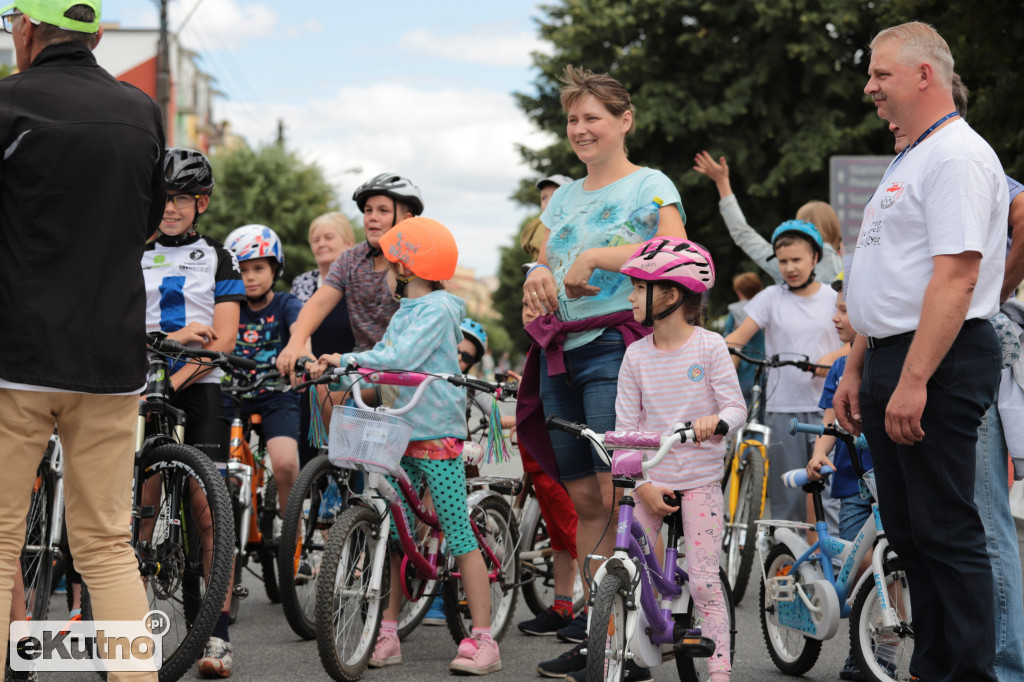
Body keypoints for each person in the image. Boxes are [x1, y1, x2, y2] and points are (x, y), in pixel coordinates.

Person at [835, 22, 1008, 682]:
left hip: (936, 359)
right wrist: (857, 364)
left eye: (880, 73)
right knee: (910, 535)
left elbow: (957, 277)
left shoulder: (958, 156)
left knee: (946, 530)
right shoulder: (911, 155)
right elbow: (883, 276)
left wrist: (913, 380)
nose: (870, 85)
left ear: (923, 76)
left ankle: (968, 674)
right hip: (889, 358)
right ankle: (931, 669)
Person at [0, 2, 162, 680]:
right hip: (111, 360)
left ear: (25, 29)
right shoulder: (141, 111)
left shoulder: (7, 104)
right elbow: (149, 223)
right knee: (105, 546)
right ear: (97, 34)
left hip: (17, 355)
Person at [517, 65, 687, 680]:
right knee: (586, 496)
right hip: (560, 350)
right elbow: (541, 261)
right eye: (573, 119)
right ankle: (597, 630)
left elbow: (679, 254)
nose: (581, 129)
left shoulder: (651, 186)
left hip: (620, 345)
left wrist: (597, 255)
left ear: (624, 121)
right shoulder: (562, 197)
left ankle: (636, 634)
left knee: (623, 492)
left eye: (593, 117)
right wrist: (535, 275)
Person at [312, 217, 501, 674]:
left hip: (436, 435)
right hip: (402, 432)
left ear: (410, 265)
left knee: (457, 533)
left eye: (392, 260)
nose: (386, 268)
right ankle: (389, 631)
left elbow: (398, 358)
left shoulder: (437, 309)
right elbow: (386, 363)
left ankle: (483, 639)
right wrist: (346, 369)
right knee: (396, 535)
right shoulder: (405, 311)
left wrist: (348, 359)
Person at [889, 75, 1024, 681]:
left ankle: (999, 664)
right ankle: (946, 662)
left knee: (974, 521)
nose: (880, 105)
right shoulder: (921, 164)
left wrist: (992, 294)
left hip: (961, 354)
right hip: (933, 349)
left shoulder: (961, 159)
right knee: (936, 526)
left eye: (883, 82)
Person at [600, 237, 745, 682]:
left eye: (636, 287)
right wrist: (641, 482)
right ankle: (620, 646)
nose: (628, 296)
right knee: (629, 562)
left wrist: (715, 421)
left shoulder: (709, 347)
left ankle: (719, 665)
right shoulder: (635, 355)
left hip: (699, 481)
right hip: (652, 479)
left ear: (669, 294)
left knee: (702, 579)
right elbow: (625, 429)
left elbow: (736, 409)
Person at [142, 147, 245, 678]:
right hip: (144, 382)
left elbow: (222, 340)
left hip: (199, 385)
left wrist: (174, 377)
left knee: (208, 510)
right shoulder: (131, 251)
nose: (171, 208)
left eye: (182, 198)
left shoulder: (219, 258)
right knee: (142, 502)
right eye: (165, 197)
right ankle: (128, 625)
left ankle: (219, 636)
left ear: (200, 202)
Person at [723, 220, 841, 524]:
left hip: (828, 410)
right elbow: (738, 338)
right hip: (782, 412)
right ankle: (786, 564)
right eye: (783, 261)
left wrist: (832, 357)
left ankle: (835, 568)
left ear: (815, 258)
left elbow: (858, 345)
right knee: (787, 497)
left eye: (797, 259)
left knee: (830, 500)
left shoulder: (833, 297)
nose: (789, 267)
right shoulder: (771, 297)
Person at [806, 277, 885, 680]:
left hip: (887, 482)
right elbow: (829, 422)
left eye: (843, 310)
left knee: (890, 565)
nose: (835, 318)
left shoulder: (890, 362)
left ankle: (880, 652)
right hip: (854, 485)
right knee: (862, 563)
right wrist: (820, 453)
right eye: (835, 308)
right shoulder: (841, 367)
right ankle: (865, 649)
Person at [276, 173, 422, 379]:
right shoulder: (350, 260)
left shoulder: (417, 260)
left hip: (408, 367)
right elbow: (318, 304)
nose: (372, 217)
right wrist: (296, 343)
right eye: (368, 210)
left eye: (383, 211)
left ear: (406, 220)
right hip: (363, 365)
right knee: (325, 386)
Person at [223, 224, 302, 516]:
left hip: (276, 395)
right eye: (242, 270)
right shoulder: (227, 306)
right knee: (220, 468)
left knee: (284, 464)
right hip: (231, 396)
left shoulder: (286, 304)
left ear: (275, 269)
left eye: (258, 268)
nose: (250, 277)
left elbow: (300, 334)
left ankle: (290, 532)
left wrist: (302, 353)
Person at [693, 151, 843, 285]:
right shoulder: (846, 266)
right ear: (834, 227)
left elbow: (742, 233)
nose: (790, 266)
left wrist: (722, 183)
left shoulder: (780, 260)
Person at [290, 212, 357, 468]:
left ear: (349, 243)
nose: (321, 243)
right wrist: (304, 360)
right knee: (310, 457)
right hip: (311, 373)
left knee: (347, 458)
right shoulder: (304, 283)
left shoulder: (357, 284)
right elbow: (299, 327)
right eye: (315, 239)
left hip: (349, 372)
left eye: (329, 237)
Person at [723, 272, 765, 404]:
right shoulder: (765, 309)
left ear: (739, 292)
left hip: (742, 373)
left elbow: (727, 342)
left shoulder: (734, 313)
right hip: (764, 371)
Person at [521, 174, 574, 262]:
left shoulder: (577, 225)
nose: (549, 201)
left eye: (556, 196)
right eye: (544, 198)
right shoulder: (538, 226)